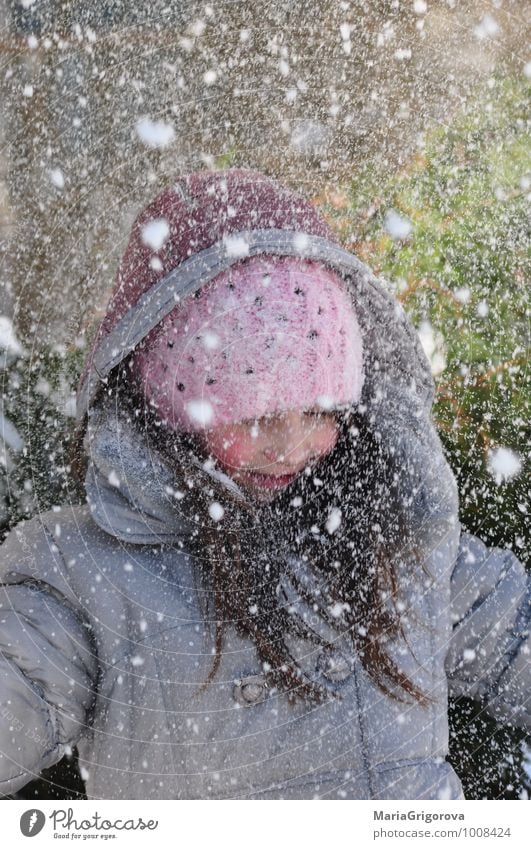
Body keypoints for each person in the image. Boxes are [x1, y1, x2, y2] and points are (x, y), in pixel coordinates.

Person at [0, 169, 529, 800]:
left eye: (320, 412)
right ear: (170, 409)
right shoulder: (85, 578)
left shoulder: (393, 542)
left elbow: (514, 633)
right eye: (254, 416)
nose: (291, 447)